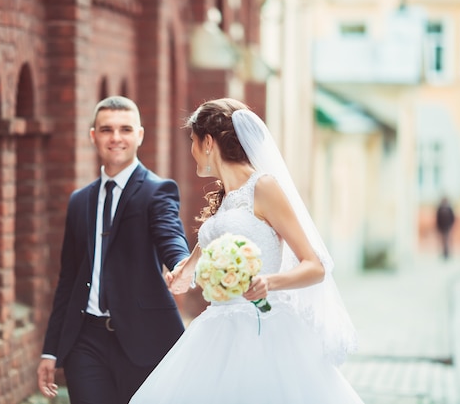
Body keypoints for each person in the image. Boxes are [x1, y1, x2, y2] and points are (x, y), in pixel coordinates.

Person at [129, 98, 364, 404]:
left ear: (209, 143)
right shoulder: (225, 198)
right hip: (217, 325)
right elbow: (211, 246)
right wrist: (185, 271)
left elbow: (315, 265)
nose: (191, 150)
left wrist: (270, 282)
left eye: (193, 141)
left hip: (263, 328)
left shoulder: (263, 187)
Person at [37, 96, 191, 404]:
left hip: (144, 338)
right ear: (93, 135)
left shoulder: (157, 191)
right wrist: (51, 349)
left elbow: (170, 235)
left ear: (140, 135)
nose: (116, 138)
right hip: (85, 341)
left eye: (125, 129)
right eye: (107, 130)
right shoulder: (79, 201)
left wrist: (181, 263)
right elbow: (67, 280)